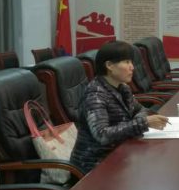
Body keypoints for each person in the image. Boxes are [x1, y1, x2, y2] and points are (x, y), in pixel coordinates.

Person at [71, 40, 169, 173]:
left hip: (120, 152)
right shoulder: (95, 95)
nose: (132, 67)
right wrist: (143, 123)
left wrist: (140, 121)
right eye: (127, 62)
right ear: (109, 65)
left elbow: (140, 110)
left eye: (131, 62)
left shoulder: (122, 88)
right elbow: (102, 135)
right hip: (95, 165)